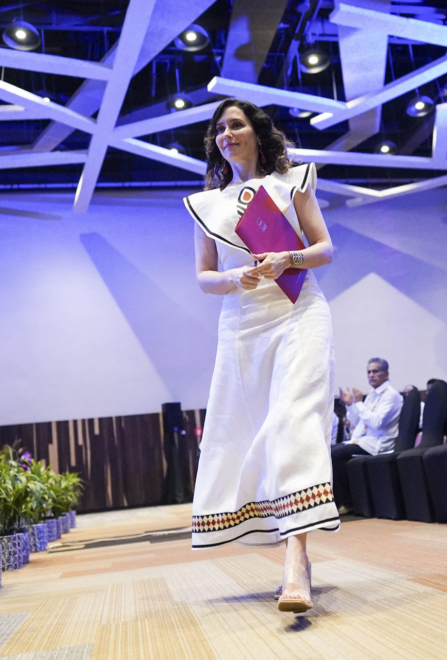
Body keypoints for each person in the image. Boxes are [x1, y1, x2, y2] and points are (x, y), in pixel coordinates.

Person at [183, 99, 338, 612]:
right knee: (250, 432)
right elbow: (204, 277)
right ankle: (292, 549)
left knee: (295, 421)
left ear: (257, 132)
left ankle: (296, 562)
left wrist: (286, 257)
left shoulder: (291, 181)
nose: (226, 134)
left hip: (299, 312)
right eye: (219, 129)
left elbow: (324, 248)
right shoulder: (208, 205)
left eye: (236, 125)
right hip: (243, 325)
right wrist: (235, 277)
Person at [332, 358, 403, 514]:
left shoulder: (391, 395)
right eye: (369, 372)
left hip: (378, 444)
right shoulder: (372, 394)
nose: (371, 375)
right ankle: (336, 502)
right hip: (363, 440)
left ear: (386, 374)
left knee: (335, 454)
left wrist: (358, 403)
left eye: (375, 371)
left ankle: (348, 502)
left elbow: (377, 422)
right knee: (330, 450)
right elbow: (358, 422)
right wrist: (351, 405)